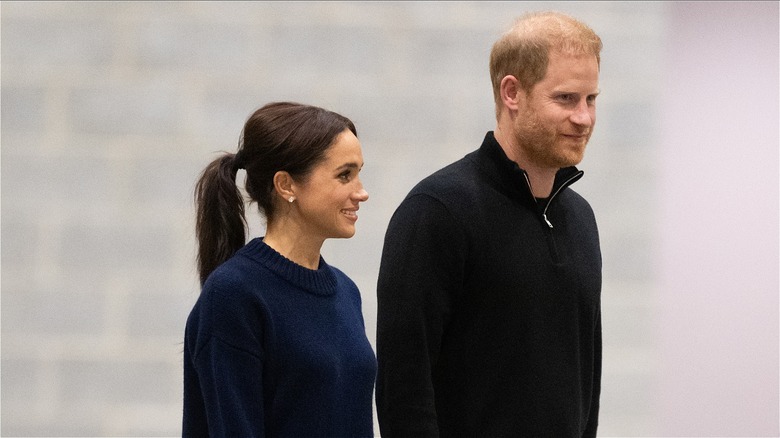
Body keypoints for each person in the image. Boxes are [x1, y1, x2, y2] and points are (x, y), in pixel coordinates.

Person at [376, 11, 603, 437]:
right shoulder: (437, 211)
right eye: (566, 99)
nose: (584, 118)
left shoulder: (581, 220)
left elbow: (585, 389)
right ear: (512, 92)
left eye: (591, 99)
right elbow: (403, 392)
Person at [182, 102, 376, 437]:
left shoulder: (346, 292)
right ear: (286, 185)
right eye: (345, 174)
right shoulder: (234, 294)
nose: (362, 192)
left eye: (359, 173)